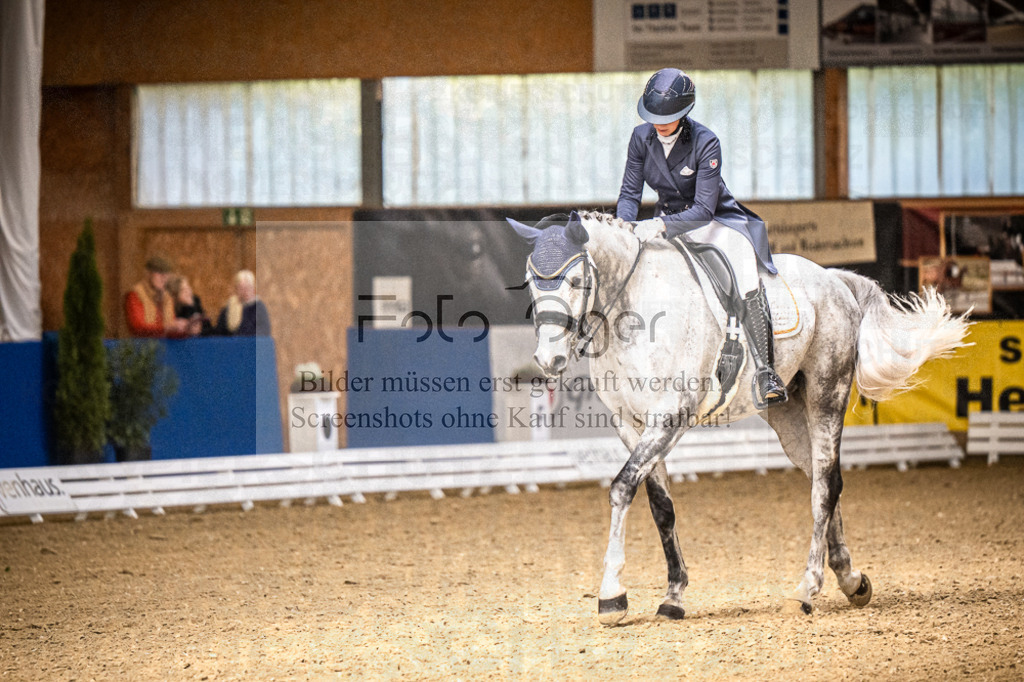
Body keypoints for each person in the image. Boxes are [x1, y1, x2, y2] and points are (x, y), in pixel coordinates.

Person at [616, 68, 787, 407]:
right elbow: (629, 192)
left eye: (667, 118)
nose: (659, 124)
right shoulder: (640, 138)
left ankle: (767, 370)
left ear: (684, 113)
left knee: (743, 272)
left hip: (716, 221)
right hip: (664, 219)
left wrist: (662, 227)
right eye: (653, 117)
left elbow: (704, 209)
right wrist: (623, 225)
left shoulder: (706, 142)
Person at [124, 256, 190, 338]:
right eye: (159, 272)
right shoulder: (135, 294)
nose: (164, 277)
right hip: (143, 348)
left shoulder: (168, 297)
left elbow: (170, 331)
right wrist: (167, 327)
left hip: (166, 346)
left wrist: (185, 329)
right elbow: (137, 327)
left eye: (167, 274)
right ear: (148, 274)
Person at [215, 270, 271, 336]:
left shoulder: (259, 307)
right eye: (242, 288)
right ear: (236, 289)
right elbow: (219, 332)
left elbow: (263, 331)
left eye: (248, 288)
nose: (245, 291)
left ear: (253, 288)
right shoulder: (228, 308)